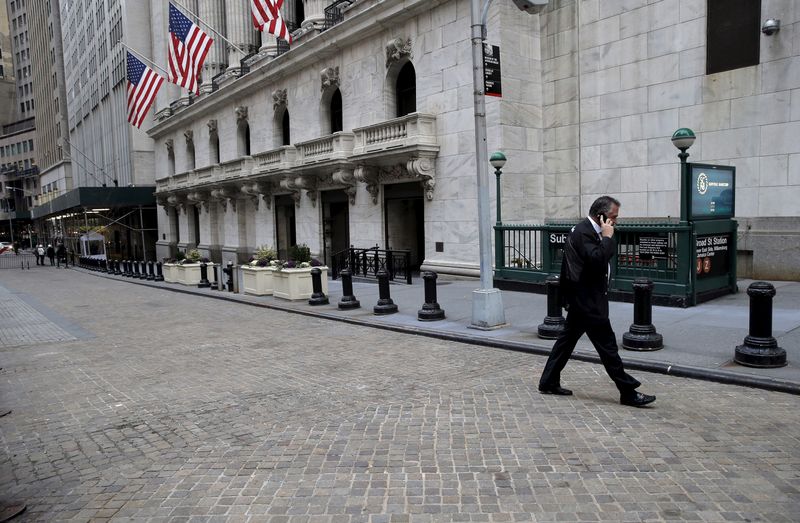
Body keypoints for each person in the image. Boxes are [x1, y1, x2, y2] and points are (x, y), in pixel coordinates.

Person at [538, 195, 656, 408]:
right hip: (588, 303)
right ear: (601, 215)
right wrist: (608, 238)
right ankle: (627, 392)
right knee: (608, 348)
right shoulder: (585, 233)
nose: (615, 222)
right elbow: (597, 260)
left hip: (581, 301)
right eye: (613, 217)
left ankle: (548, 381)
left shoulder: (587, 230)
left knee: (565, 344)